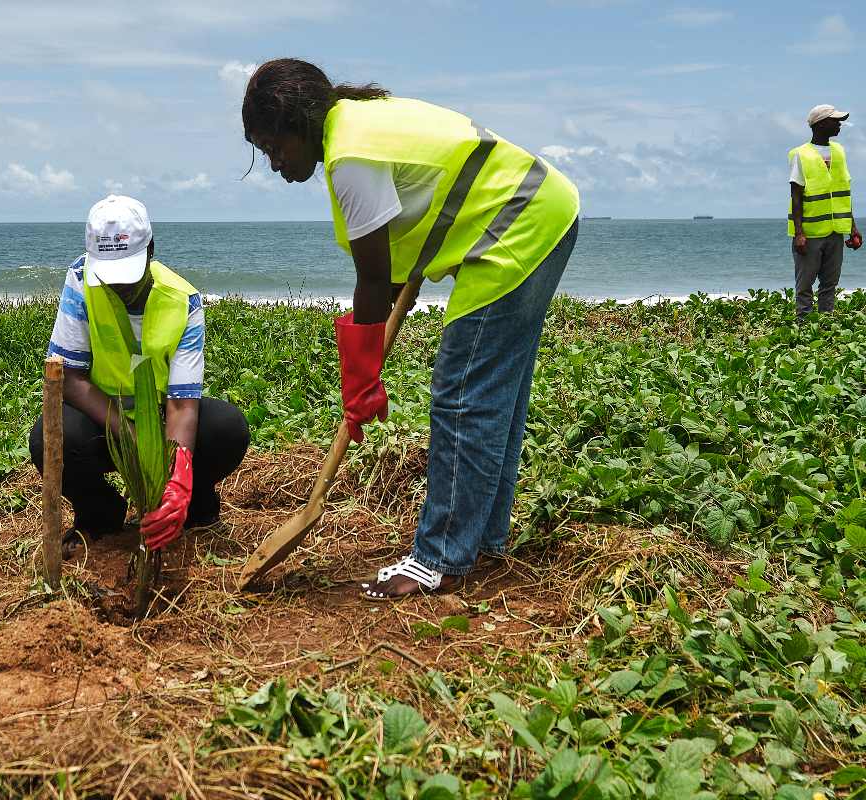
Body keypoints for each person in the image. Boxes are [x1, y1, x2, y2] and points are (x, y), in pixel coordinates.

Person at [241, 58, 579, 600]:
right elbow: (406, 238)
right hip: (545, 213)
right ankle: (484, 539)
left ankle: (440, 557)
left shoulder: (351, 154)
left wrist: (361, 377)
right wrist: (367, 364)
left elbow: (373, 278)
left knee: (463, 393)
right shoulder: (358, 121)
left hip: (519, 226)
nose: (276, 164)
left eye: (274, 147)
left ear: (297, 123)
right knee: (496, 396)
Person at [29, 195, 249, 551]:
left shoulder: (183, 300)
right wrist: (133, 437)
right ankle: (99, 513)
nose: (120, 288)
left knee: (227, 428)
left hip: (164, 421)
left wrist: (175, 474)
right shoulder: (81, 280)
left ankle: (192, 504)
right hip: (103, 422)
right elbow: (70, 379)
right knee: (50, 437)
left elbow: (182, 404)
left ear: (151, 249)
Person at [789, 104, 862, 319]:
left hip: (835, 231)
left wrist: (853, 228)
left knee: (830, 284)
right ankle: (804, 327)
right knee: (805, 285)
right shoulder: (800, 154)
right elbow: (796, 197)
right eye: (834, 120)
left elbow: (843, 193)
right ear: (820, 124)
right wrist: (799, 233)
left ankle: (826, 324)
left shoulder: (839, 152)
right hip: (810, 234)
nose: (839, 124)